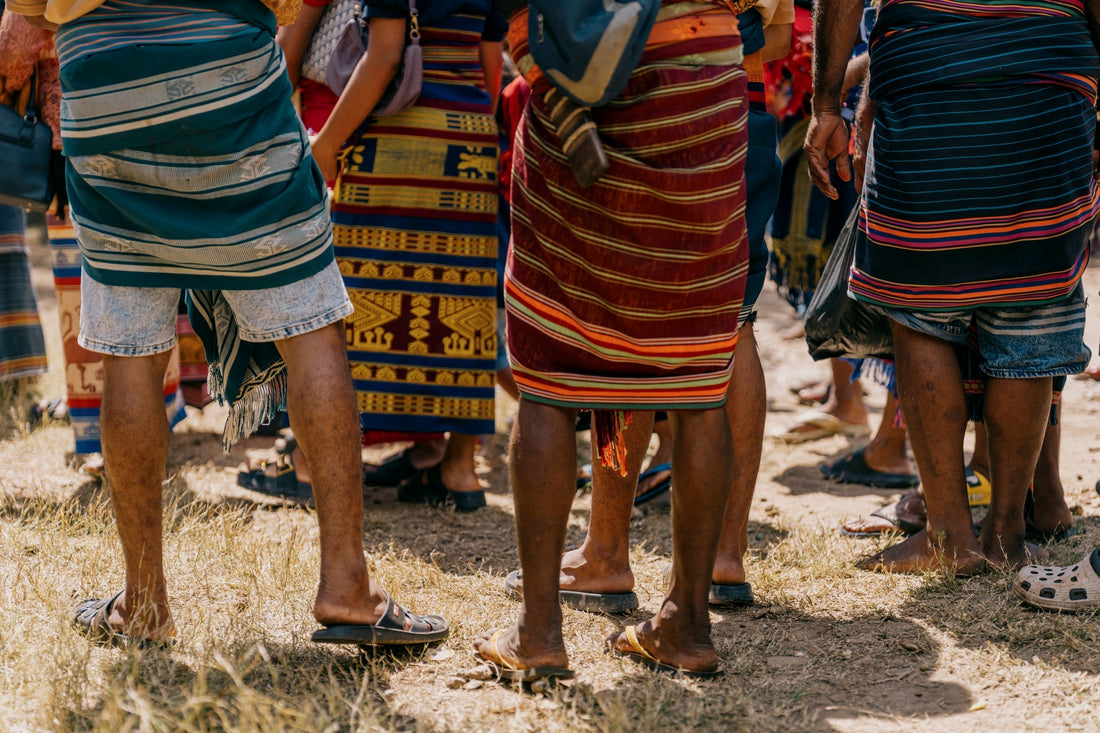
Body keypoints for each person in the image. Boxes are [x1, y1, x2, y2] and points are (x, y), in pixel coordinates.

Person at [11, 0, 446, 648]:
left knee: (129, 345)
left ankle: (145, 603)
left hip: (102, 78)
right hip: (226, 58)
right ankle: (347, 585)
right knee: (310, 326)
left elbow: (26, 11)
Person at [474, 1, 748, 680]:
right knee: (697, 371)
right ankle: (687, 623)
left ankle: (540, 633)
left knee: (550, 368)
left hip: (575, 68)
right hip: (701, 74)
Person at [806, 0, 1099, 573]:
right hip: (1048, 71)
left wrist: (826, 105)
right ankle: (1006, 538)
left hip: (928, 70)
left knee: (920, 306)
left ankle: (948, 536)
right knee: (1031, 305)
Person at [308, 0, 506, 512]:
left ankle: (338, 463)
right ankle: (459, 469)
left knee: (358, 300)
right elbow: (490, 62)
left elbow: (385, 54)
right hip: (467, 134)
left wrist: (327, 143)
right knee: (465, 301)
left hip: (397, 133)